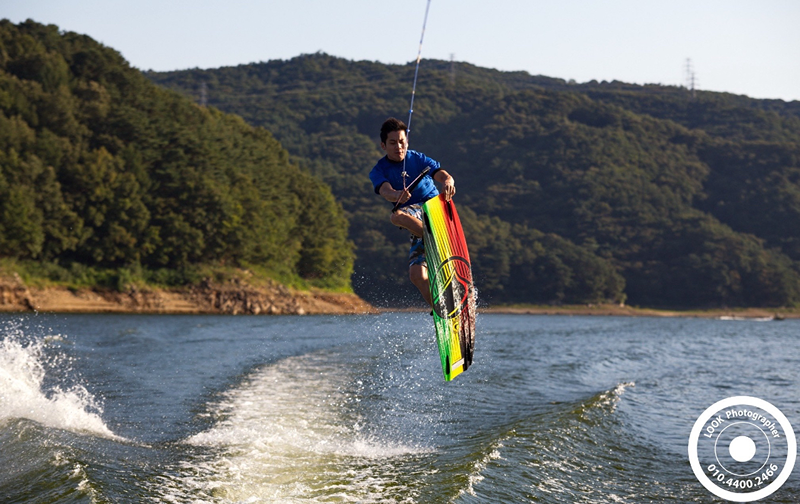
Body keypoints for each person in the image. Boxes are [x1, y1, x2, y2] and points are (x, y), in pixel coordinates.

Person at [369, 117, 456, 307]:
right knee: (417, 275)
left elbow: (439, 173)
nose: (399, 147)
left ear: (406, 141)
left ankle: (435, 239)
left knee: (397, 216)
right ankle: (441, 310)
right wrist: (396, 194)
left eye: (402, 142)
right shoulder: (379, 170)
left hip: (433, 208)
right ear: (383, 145)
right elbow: (384, 190)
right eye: (393, 143)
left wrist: (448, 180)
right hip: (417, 223)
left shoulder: (417, 158)